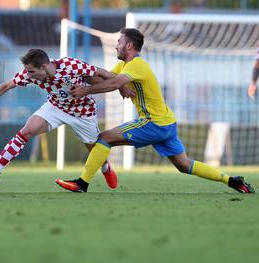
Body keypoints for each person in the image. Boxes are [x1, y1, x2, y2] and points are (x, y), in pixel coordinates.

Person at [55, 28, 255, 194]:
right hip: (166, 122)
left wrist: (86, 90)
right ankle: (232, 181)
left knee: (104, 138)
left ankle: (82, 184)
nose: (116, 45)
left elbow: (113, 82)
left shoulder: (137, 65)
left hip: (153, 122)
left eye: (119, 41)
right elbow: (106, 78)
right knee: (184, 165)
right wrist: (79, 71)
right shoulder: (125, 65)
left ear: (129, 46)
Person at [0, 49, 118, 190]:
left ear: (44, 66)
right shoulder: (29, 74)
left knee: (93, 148)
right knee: (26, 131)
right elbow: (6, 85)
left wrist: (121, 84)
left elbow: (102, 73)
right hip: (56, 107)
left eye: (32, 71)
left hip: (82, 111)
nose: (28, 75)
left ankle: (105, 167)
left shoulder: (70, 66)